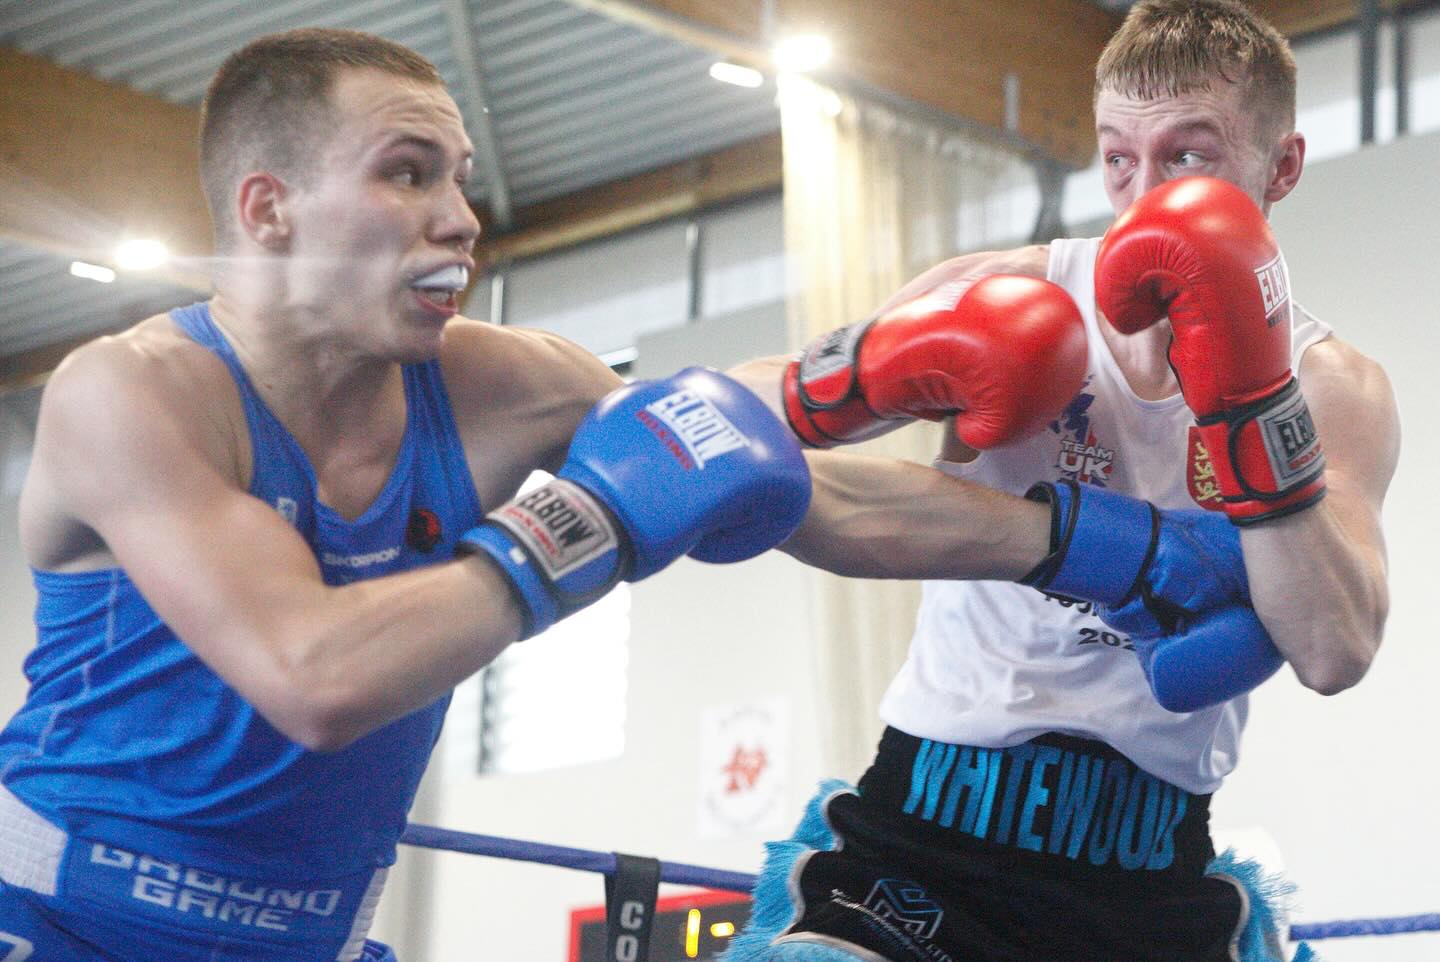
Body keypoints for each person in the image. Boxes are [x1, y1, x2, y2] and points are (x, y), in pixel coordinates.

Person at [0, 28, 812, 962]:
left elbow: (767, 467)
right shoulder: (132, 390)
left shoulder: (508, 380)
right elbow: (313, 677)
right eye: (409, 173)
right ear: (270, 210)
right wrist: (582, 522)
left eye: (458, 178)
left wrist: (864, 387)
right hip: (55, 924)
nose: (463, 218)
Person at [721, 2, 1399, 961]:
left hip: (1147, 870)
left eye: (1189, 158)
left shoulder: (1335, 386)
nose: (1145, 193)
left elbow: (1336, 650)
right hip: (927, 830)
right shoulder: (1008, 291)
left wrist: (1253, 404)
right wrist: (862, 370)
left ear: (1280, 165)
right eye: (1120, 157)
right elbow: (727, 420)